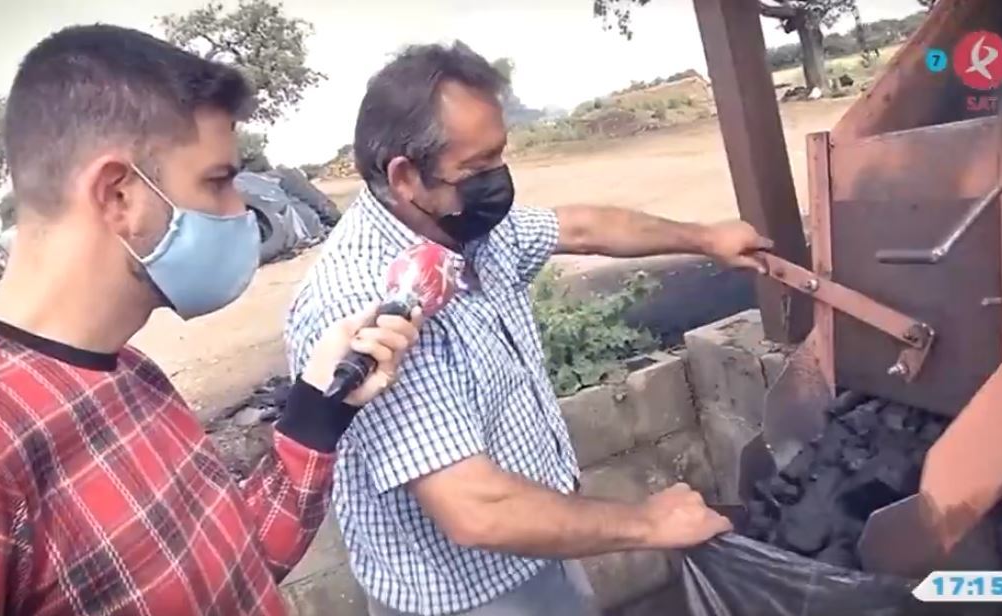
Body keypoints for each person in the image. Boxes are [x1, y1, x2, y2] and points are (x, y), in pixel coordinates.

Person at [284, 41, 773, 616]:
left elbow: (585, 227)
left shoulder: (465, 227)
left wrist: (706, 238)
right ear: (405, 175)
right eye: (478, 166)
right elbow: (476, 510)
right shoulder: (366, 309)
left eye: (500, 157)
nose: (499, 181)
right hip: (463, 597)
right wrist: (648, 522)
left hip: (540, 546)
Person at [0, 25, 422, 616]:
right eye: (219, 181)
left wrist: (319, 409)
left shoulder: (131, 371)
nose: (242, 209)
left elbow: (226, 571)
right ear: (118, 195)